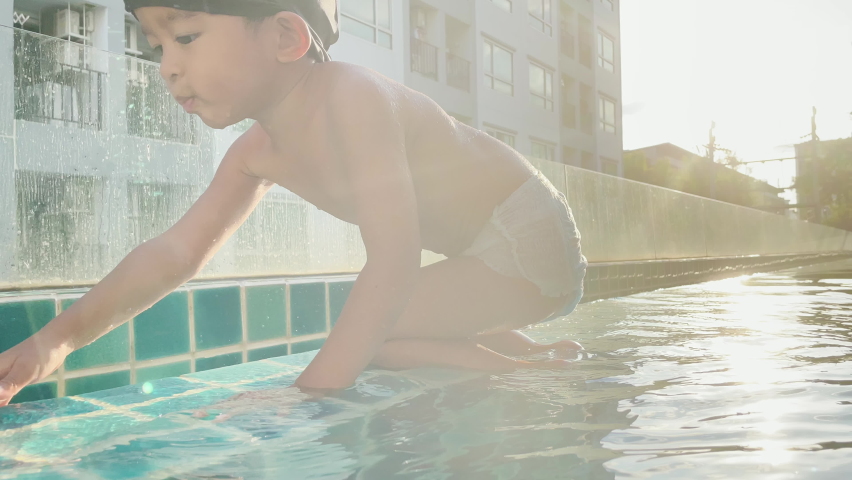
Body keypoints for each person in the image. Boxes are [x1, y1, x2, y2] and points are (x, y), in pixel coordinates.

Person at [0, 0, 587, 407]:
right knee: (367, 331)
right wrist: (54, 340)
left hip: (526, 235)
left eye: (185, 37)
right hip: (493, 253)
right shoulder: (256, 152)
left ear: (285, 37)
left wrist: (310, 396)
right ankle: (522, 349)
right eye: (156, 46)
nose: (168, 68)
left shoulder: (353, 97)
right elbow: (175, 252)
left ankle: (522, 372)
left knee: (368, 338)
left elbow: (396, 256)